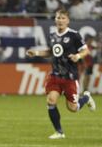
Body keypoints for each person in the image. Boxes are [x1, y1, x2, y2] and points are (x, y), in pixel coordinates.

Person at [26, 9, 96, 139]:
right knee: (51, 100)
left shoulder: (74, 35)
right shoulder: (52, 35)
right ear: (55, 20)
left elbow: (86, 50)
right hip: (55, 75)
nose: (60, 20)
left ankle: (86, 97)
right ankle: (59, 132)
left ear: (68, 21)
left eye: (63, 18)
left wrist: (78, 56)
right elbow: (50, 52)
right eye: (58, 18)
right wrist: (35, 53)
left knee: (73, 108)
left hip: (70, 77)